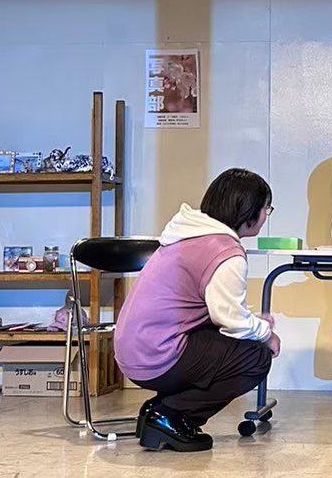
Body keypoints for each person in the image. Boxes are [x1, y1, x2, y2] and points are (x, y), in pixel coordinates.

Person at [114, 168, 280, 452]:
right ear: (248, 211)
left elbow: (216, 312)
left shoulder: (188, 234)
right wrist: (266, 334)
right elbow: (231, 320)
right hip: (156, 354)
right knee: (256, 358)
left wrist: (250, 324)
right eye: (266, 208)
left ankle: (160, 409)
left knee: (235, 342)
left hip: (133, 348)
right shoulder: (225, 250)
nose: (266, 215)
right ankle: (172, 416)